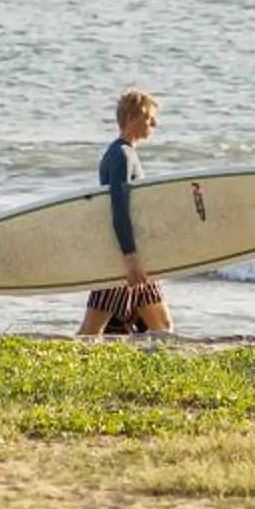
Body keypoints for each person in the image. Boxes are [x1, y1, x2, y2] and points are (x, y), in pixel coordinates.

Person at [78, 88, 173, 340]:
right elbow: (118, 209)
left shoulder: (125, 153)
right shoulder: (121, 155)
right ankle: (66, 368)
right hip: (122, 258)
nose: (155, 124)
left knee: (162, 328)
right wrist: (129, 259)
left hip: (136, 257)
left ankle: (154, 374)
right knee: (89, 333)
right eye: (149, 118)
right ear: (132, 117)